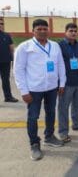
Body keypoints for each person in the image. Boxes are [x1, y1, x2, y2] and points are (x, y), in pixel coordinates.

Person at [14, 19, 66, 160]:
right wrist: (24, 91)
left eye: (45, 29)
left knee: (50, 113)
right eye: (39, 29)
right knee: (33, 117)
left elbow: (60, 64)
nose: (43, 31)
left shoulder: (54, 46)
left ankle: (49, 137)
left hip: (51, 88)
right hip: (33, 89)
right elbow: (18, 70)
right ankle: (34, 144)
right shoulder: (24, 47)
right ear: (33, 31)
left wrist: (62, 83)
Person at [57, 23, 78, 143]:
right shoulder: (59, 46)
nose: (73, 33)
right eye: (71, 31)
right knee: (63, 108)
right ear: (65, 32)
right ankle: (63, 132)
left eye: (75, 31)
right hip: (65, 83)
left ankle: (76, 124)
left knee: (77, 105)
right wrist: (59, 83)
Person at [0, 17, 18, 102]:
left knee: (6, 80)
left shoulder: (6, 35)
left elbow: (11, 48)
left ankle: (8, 97)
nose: (1, 25)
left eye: (2, 24)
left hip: (5, 61)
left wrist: (14, 59)